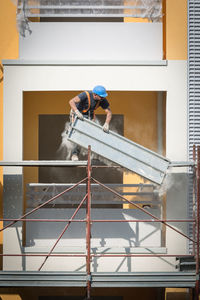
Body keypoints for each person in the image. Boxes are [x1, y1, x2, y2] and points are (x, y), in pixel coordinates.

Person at [68, 85, 112, 161]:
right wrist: (77, 112)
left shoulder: (102, 100)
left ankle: (94, 156)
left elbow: (109, 112)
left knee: (93, 133)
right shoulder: (85, 95)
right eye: (101, 97)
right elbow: (71, 101)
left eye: (103, 97)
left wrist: (107, 123)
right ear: (95, 95)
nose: (102, 98)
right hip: (77, 113)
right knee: (78, 134)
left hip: (89, 115)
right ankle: (74, 154)